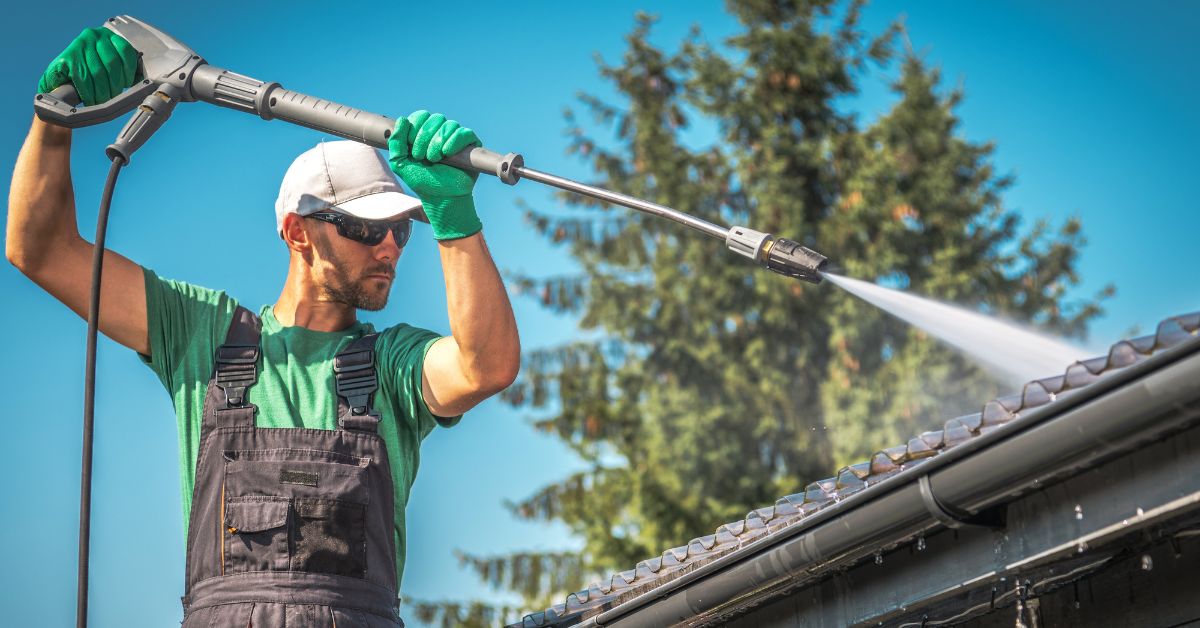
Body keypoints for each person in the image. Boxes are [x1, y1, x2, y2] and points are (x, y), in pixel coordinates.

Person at [7, 27, 520, 627]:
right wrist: (55, 120)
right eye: (364, 228)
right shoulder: (201, 333)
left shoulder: (395, 365)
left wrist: (454, 217)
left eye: (401, 230)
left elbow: (485, 367)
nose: (389, 248)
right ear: (298, 231)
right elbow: (40, 249)